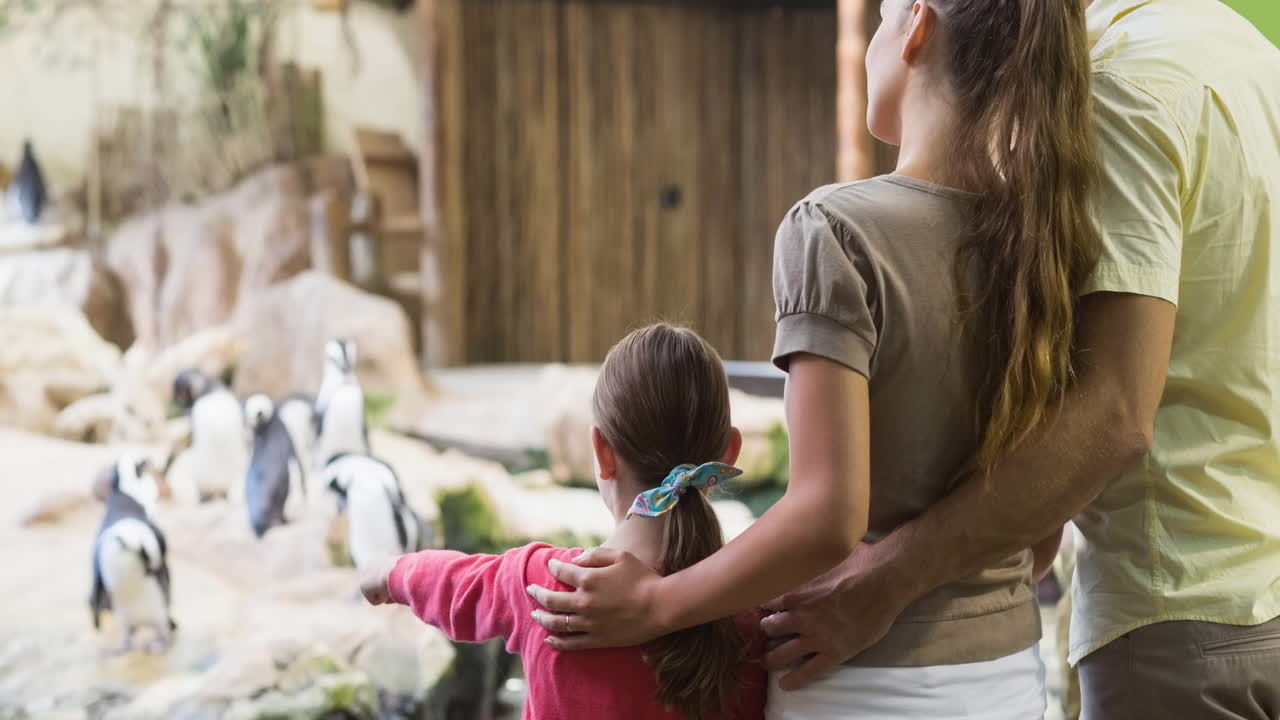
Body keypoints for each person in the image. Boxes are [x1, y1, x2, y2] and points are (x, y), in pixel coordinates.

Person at [526, 0, 1099, 716]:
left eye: (883, 16)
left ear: (915, 27)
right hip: (1006, 675)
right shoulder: (1046, 242)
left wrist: (657, 603)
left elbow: (828, 516)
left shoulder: (836, 229)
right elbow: (1040, 526)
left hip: (857, 684)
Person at [759, 1, 1280, 719]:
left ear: (917, 30)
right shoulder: (1247, 53)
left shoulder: (1114, 87)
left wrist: (886, 582)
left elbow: (1117, 411)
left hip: (1176, 617)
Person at [361, 324, 768, 719]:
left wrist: (389, 572)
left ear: (601, 451)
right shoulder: (751, 609)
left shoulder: (551, 585)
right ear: (728, 453)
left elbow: (455, 583)